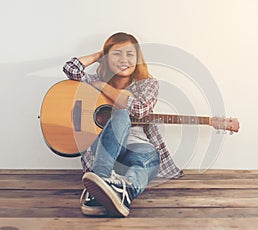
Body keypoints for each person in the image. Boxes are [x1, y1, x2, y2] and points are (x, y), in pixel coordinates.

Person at [63, 32, 183, 217]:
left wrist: (104, 87)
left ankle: (121, 191)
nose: (123, 59)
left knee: (147, 160)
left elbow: (140, 109)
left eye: (130, 54)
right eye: (116, 54)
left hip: (138, 147)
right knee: (120, 115)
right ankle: (101, 178)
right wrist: (100, 55)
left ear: (137, 59)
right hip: (105, 150)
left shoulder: (147, 84)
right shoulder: (91, 82)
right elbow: (70, 68)